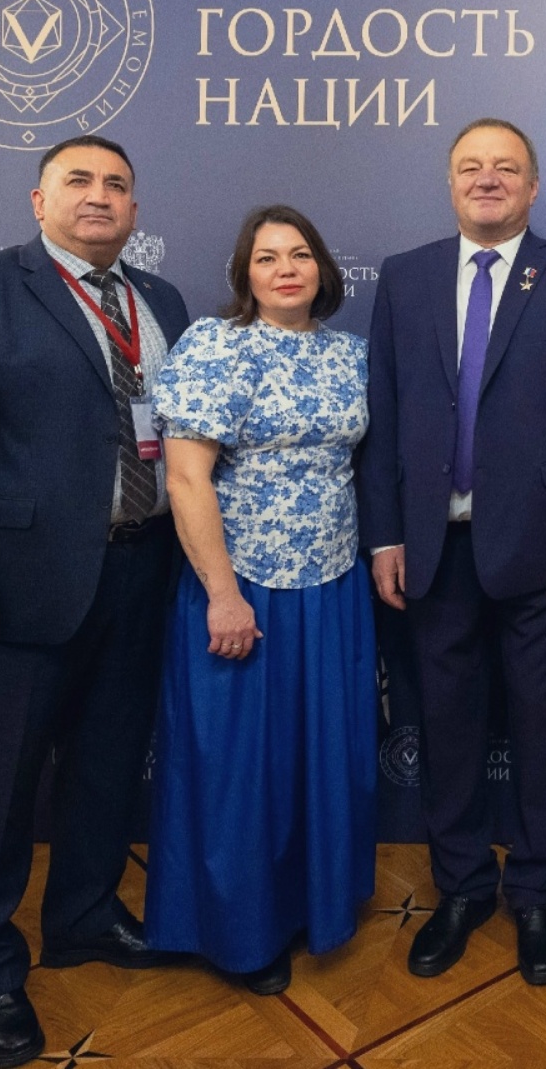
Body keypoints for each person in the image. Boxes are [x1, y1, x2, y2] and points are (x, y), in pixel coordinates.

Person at [0, 135, 186, 1068]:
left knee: (106, 765)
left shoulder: (161, 300)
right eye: (78, 181)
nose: (99, 196)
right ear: (38, 200)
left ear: (135, 210)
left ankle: (86, 914)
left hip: (141, 572)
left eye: (117, 185)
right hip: (18, 591)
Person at [362, 118, 546, 986]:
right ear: (450, 184)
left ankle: (539, 894)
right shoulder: (405, 276)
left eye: (505, 167)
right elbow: (385, 413)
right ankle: (464, 887)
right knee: (446, 728)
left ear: (532, 186)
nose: (487, 179)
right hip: (434, 551)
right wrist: (386, 532)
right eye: (470, 167)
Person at [143, 205, 376, 994]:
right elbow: (186, 479)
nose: (286, 268)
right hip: (244, 590)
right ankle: (243, 932)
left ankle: (314, 906)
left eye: (300, 253)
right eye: (268, 256)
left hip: (332, 587)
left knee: (319, 758)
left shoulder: (350, 353)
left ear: (322, 269)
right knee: (243, 768)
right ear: (245, 271)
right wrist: (222, 593)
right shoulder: (217, 345)